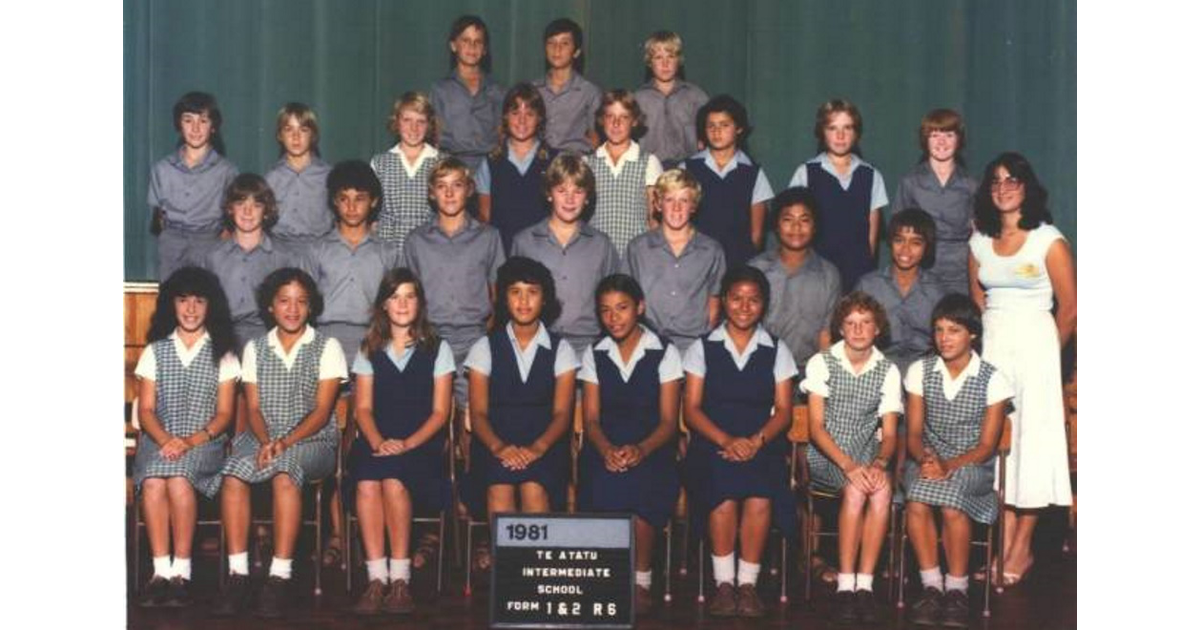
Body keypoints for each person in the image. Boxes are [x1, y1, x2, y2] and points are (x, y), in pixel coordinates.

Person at [967, 152, 1076, 587]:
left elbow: (1069, 309)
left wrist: (1048, 356)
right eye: (995, 181)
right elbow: (977, 302)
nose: (1003, 188)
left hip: (1037, 351)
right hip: (994, 349)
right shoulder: (977, 243)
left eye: (1012, 180)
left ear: (1027, 187)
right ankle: (1000, 545)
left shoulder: (1049, 239)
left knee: (1031, 446)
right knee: (997, 447)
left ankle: (1022, 549)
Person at [212, 268, 347, 619]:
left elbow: (321, 412)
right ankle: (238, 574)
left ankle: (279, 577)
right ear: (270, 306)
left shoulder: (327, 346)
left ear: (311, 307)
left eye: (301, 302)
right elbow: (253, 407)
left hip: (312, 439)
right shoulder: (256, 348)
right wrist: (267, 440)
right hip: (262, 435)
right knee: (232, 473)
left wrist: (284, 443)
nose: (292, 309)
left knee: (285, 473)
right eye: (284, 301)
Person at [682, 266, 797, 618]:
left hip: (761, 441)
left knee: (761, 491)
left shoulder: (777, 349)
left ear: (763, 305)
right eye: (736, 298)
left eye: (753, 300)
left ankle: (748, 584)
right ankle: (724, 584)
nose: (744, 307)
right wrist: (727, 440)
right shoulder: (702, 347)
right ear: (724, 301)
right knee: (723, 489)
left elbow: (783, 411)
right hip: (713, 440)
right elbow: (692, 409)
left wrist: (756, 440)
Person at [346, 269, 455, 616]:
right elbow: (361, 408)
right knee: (366, 483)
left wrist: (406, 444)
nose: (403, 303)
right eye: (395, 296)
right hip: (377, 440)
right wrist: (379, 442)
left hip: (420, 444)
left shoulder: (438, 348)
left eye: (410, 296)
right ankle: (375, 578)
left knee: (394, 481)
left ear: (420, 303)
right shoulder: (369, 348)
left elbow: (440, 413)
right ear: (383, 304)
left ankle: (400, 580)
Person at [903, 294, 1013, 628]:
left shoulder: (992, 378)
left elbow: (986, 445)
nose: (944, 338)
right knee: (918, 499)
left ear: (973, 335)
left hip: (972, 465)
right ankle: (932, 585)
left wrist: (949, 466)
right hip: (927, 458)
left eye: (954, 330)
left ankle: (957, 588)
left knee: (952, 504)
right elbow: (914, 434)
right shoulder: (921, 370)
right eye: (939, 330)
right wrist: (926, 459)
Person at [133, 267, 240, 608]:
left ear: (211, 306)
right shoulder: (156, 350)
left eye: (199, 301)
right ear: (171, 305)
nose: (191, 309)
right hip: (159, 438)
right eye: (183, 301)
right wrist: (166, 440)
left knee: (179, 480)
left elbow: (224, 416)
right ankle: (159, 572)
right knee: (153, 481)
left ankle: (182, 573)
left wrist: (189, 442)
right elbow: (147, 410)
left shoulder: (222, 352)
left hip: (203, 442)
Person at [578, 274, 683, 615]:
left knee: (642, 485)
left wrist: (641, 450)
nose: (614, 318)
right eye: (605, 310)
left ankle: (640, 580)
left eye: (622, 308)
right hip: (604, 445)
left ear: (639, 307)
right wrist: (607, 450)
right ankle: (610, 578)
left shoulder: (664, 352)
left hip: (653, 445)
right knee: (605, 481)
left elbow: (669, 421)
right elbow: (591, 419)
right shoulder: (595, 354)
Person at [800, 291, 902, 625]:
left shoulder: (887, 370)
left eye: (866, 323)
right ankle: (846, 584)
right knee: (857, 489)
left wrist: (879, 463)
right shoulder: (823, 362)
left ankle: (865, 585)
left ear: (877, 329)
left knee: (882, 488)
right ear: (840, 329)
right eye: (851, 324)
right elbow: (815, 428)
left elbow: (889, 436)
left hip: (865, 454)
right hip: (826, 455)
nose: (858, 330)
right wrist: (848, 465)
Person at [461, 256, 578, 523]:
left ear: (545, 299)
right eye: (515, 292)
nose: (523, 302)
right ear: (504, 298)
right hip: (495, 442)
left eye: (532, 293)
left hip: (544, 443)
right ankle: (505, 564)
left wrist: (537, 448)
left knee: (534, 487)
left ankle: (533, 563)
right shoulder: (485, 347)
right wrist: (499, 447)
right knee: (498, 488)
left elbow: (562, 414)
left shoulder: (561, 349)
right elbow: (478, 413)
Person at [405, 157, 505, 423]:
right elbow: (408, 298)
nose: (449, 193)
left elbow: (497, 294)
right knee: (423, 417)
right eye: (441, 186)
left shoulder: (488, 237)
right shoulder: (416, 240)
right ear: (431, 192)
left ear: (469, 189)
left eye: (457, 185)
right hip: (429, 339)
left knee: (477, 418)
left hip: (474, 338)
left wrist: (486, 332)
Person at [511, 153, 619, 356]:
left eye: (578, 192)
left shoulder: (601, 245)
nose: (570, 199)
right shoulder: (524, 242)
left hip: (588, 348)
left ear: (587, 197)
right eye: (561, 190)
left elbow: (613, 300)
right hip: (537, 345)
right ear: (549, 193)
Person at [305, 160, 401, 366]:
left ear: (373, 201)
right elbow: (305, 302)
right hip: (324, 341)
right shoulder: (317, 249)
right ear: (334, 201)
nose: (351, 207)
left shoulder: (388, 252)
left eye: (360, 199)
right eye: (344, 199)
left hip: (373, 341)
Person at [788, 99, 888, 292]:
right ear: (822, 133)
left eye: (847, 128)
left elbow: (871, 239)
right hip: (816, 274)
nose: (840, 136)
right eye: (833, 128)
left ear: (856, 133)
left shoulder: (871, 175)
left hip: (858, 274)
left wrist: (865, 276)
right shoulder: (806, 172)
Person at [623, 168, 724, 352]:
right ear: (658, 204)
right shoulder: (638, 248)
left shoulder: (711, 250)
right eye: (670, 200)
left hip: (693, 347)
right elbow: (626, 300)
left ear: (693, 206)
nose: (676, 207)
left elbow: (714, 303)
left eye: (684, 200)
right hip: (648, 345)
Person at [748, 186, 841, 380]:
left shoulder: (829, 274)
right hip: (761, 371)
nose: (796, 228)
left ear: (815, 226)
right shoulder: (757, 269)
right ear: (776, 225)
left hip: (808, 374)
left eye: (804, 220)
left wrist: (823, 380)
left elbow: (827, 335)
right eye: (788, 220)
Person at [148, 91, 238, 280]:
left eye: (203, 121)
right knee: (171, 302)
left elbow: (232, 220)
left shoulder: (226, 171)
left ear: (213, 126)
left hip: (209, 244)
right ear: (179, 125)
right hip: (172, 247)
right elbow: (159, 218)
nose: (195, 128)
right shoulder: (162, 169)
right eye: (188, 120)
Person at [201, 173, 298, 348]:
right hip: (222, 339)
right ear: (230, 208)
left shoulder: (284, 257)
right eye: (240, 204)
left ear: (267, 211)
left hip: (270, 340)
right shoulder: (212, 256)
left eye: (256, 205)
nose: (248, 212)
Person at [891, 109, 977, 294]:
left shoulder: (971, 185)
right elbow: (898, 232)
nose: (941, 142)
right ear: (925, 140)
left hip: (960, 273)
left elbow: (980, 234)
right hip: (921, 268)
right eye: (934, 135)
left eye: (949, 135)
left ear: (959, 140)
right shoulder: (910, 182)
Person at [682, 95, 773, 268]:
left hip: (738, 264)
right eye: (711, 126)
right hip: (696, 264)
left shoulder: (754, 173)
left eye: (724, 125)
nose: (717, 131)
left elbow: (756, 235)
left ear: (738, 128)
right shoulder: (687, 168)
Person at [854, 208, 946, 374]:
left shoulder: (937, 291)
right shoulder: (868, 286)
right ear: (890, 242)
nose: (905, 249)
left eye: (916, 243)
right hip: (876, 371)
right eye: (899, 240)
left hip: (925, 373)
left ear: (927, 247)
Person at [475, 83, 559, 252]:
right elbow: (486, 218)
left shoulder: (555, 161)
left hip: (545, 252)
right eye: (515, 113)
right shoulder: (490, 163)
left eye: (529, 114)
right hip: (503, 252)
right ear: (505, 117)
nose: (522, 121)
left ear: (539, 118)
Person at [585, 89, 663, 257]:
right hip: (596, 256)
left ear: (634, 121)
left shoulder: (648, 162)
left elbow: (654, 219)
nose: (616, 123)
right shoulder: (587, 163)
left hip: (636, 256)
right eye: (610, 116)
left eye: (624, 117)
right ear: (601, 120)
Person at [370, 92, 446, 256]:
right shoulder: (379, 163)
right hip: (389, 249)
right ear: (396, 122)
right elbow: (372, 216)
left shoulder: (441, 162)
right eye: (407, 120)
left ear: (429, 125)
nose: (414, 128)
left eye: (421, 122)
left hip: (430, 249)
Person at [431, 15, 506, 172]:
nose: (472, 47)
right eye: (465, 40)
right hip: (451, 165)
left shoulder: (497, 90)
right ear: (453, 45)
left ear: (485, 49)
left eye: (478, 42)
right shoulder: (441, 89)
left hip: (490, 166)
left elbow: (502, 134)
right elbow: (435, 136)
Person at [633, 30, 709, 169]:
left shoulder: (696, 96)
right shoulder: (638, 98)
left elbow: (708, 134)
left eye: (671, 56)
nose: (665, 64)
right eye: (658, 58)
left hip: (688, 168)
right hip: (649, 169)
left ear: (679, 60)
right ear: (649, 62)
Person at [265, 103, 333, 246]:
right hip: (280, 248)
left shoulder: (328, 175)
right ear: (280, 135)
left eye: (303, 129)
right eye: (288, 129)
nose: (296, 137)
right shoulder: (271, 177)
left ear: (313, 134)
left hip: (318, 248)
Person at [533, 17, 602, 154]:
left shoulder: (590, 92)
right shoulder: (533, 90)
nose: (556, 49)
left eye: (564, 43)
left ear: (576, 51)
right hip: (538, 164)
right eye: (551, 43)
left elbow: (596, 139)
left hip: (574, 166)